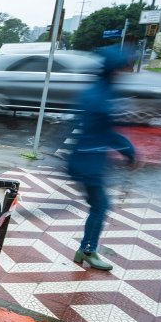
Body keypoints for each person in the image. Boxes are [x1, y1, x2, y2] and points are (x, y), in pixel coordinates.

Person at [67, 46, 136, 271]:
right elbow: (105, 132)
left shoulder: (100, 90)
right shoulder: (100, 94)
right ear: (114, 69)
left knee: (99, 205)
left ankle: (86, 249)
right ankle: (86, 250)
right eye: (123, 67)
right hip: (89, 163)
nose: (126, 72)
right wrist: (129, 151)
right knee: (100, 205)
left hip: (89, 160)